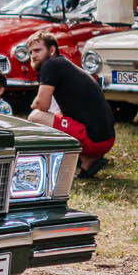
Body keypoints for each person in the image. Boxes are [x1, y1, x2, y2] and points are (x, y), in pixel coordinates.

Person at [26, 32, 116, 176]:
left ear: (52, 50)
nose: (33, 56)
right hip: (106, 139)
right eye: (31, 52)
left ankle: (53, 163)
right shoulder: (63, 64)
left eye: (37, 50)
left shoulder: (51, 65)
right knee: (56, 115)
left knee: (36, 116)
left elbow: (42, 105)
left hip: (94, 140)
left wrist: (34, 104)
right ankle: (87, 160)